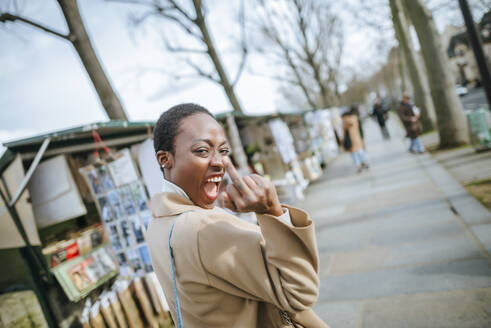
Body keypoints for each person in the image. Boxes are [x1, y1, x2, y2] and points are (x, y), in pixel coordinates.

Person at [147, 103, 328, 328]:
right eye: (202, 150)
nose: (219, 162)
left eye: (223, 151)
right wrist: (271, 210)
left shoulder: (159, 222)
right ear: (165, 159)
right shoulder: (202, 228)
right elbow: (301, 293)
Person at [342, 108, 369, 173]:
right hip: (357, 139)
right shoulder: (355, 119)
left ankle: (359, 165)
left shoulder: (345, 122)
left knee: (355, 154)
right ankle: (364, 162)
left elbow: (343, 133)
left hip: (350, 141)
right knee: (360, 152)